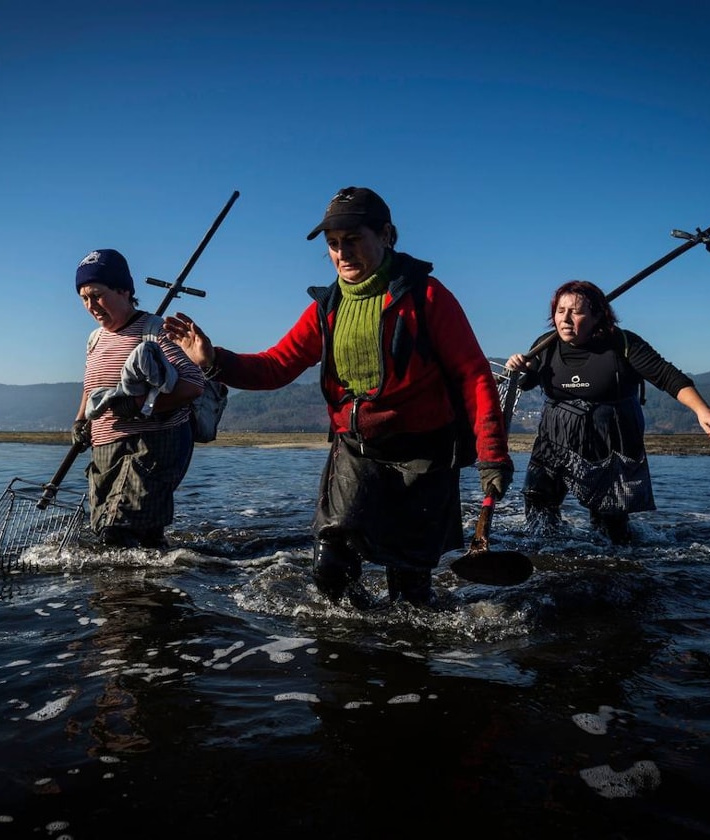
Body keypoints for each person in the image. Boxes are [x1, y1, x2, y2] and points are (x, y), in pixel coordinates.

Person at [162, 186, 513, 607]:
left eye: (352, 240)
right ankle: (354, 657)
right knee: (330, 572)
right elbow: (277, 366)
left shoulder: (427, 296)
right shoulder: (326, 307)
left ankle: (404, 660)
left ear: (386, 235)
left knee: (410, 593)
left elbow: (474, 375)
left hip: (424, 457)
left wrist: (492, 453)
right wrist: (213, 359)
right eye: (333, 245)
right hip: (356, 452)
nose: (342, 253)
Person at [505, 279, 710, 544]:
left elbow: (667, 376)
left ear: (598, 315)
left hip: (610, 436)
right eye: (560, 310)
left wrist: (702, 410)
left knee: (609, 520)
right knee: (538, 502)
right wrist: (521, 368)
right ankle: (549, 551)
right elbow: (528, 382)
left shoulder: (623, 343)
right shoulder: (545, 344)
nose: (565, 318)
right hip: (555, 436)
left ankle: (615, 560)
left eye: (576, 311)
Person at [71, 248, 206, 549]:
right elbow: (91, 386)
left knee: (117, 534)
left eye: (97, 295)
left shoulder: (153, 332)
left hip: (150, 447)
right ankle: (150, 589)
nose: (91, 305)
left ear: (124, 290)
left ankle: (132, 592)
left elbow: (194, 384)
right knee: (133, 538)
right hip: (106, 448)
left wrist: (138, 407)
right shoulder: (95, 339)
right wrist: (80, 421)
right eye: (84, 299)